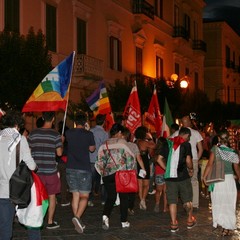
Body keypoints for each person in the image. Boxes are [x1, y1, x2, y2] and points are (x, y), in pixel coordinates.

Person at [0, 110, 39, 240]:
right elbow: (32, 166)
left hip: (1, 190)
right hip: (16, 190)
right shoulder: (20, 139)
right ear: (17, 124)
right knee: (32, 220)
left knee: (4, 226)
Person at [95, 123, 135, 229]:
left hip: (107, 175)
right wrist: (129, 170)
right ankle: (124, 221)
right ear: (120, 132)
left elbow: (99, 161)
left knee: (111, 197)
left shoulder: (104, 144)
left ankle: (105, 216)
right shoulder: (122, 143)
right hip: (121, 174)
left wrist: (103, 173)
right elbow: (130, 159)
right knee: (124, 198)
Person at [156, 127, 196, 232]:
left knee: (172, 201)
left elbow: (159, 159)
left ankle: (174, 223)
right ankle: (189, 220)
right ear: (186, 135)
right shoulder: (186, 145)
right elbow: (188, 160)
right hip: (183, 176)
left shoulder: (167, 143)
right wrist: (191, 169)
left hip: (170, 178)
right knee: (187, 199)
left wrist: (167, 169)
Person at [28, 111, 63, 229]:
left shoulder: (33, 133)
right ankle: (49, 221)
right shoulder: (56, 135)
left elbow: (28, 151)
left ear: (42, 118)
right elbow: (59, 153)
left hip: (36, 171)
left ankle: (36, 219)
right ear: (53, 119)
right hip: (50, 171)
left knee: (36, 196)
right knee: (51, 196)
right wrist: (61, 142)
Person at [202, 130, 240, 236]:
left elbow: (209, 164)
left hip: (218, 181)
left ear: (219, 139)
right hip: (229, 180)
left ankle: (223, 224)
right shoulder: (233, 152)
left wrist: (204, 177)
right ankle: (226, 227)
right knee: (229, 203)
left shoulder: (215, 149)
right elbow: (237, 168)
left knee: (219, 202)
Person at [65, 112, 96, 234]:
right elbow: (92, 149)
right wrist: (87, 131)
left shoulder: (68, 133)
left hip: (70, 167)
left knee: (75, 196)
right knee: (85, 196)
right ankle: (77, 218)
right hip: (83, 168)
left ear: (75, 122)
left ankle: (77, 220)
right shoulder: (88, 134)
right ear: (85, 123)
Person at [171, 115, 203, 209]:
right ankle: (195, 204)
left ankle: (186, 202)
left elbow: (169, 142)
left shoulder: (177, 133)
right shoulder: (196, 133)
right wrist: (196, 159)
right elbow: (200, 149)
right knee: (194, 182)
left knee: (183, 181)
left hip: (180, 160)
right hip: (193, 159)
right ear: (189, 122)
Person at [122, 127, 146, 215]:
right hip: (131, 171)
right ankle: (130, 207)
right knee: (132, 191)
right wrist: (143, 168)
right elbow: (138, 158)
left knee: (123, 191)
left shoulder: (119, 145)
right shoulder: (133, 145)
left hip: (121, 171)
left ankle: (124, 207)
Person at [88, 114, 109, 207]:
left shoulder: (90, 131)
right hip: (101, 160)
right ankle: (104, 199)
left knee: (90, 181)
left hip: (91, 159)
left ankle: (89, 199)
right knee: (103, 180)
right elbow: (105, 147)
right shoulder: (105, 134)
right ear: (104, 122)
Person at [134, 126, 156, 210]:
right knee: (146, 184)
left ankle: (141, 200)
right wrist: (150, 138)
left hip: (137, 163)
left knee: (140, 184)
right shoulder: (144, 142)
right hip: (144, 163)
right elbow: (154, 146)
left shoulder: (135, 142)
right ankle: (143, 200)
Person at [56, 121, 70, 207]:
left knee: (58, 180)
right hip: (64, 161)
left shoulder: (57, 135)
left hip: (58, 161)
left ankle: (56, 197)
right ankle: (63, 198)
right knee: (63, 181)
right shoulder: (67, 137)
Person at [154, 137, 168, 213]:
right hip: (166, 173)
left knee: (158, 191)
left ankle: (157, 204)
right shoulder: (166, 151)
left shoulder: (156, 152)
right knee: (165, 192)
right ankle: (165, 208)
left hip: (158, 172)